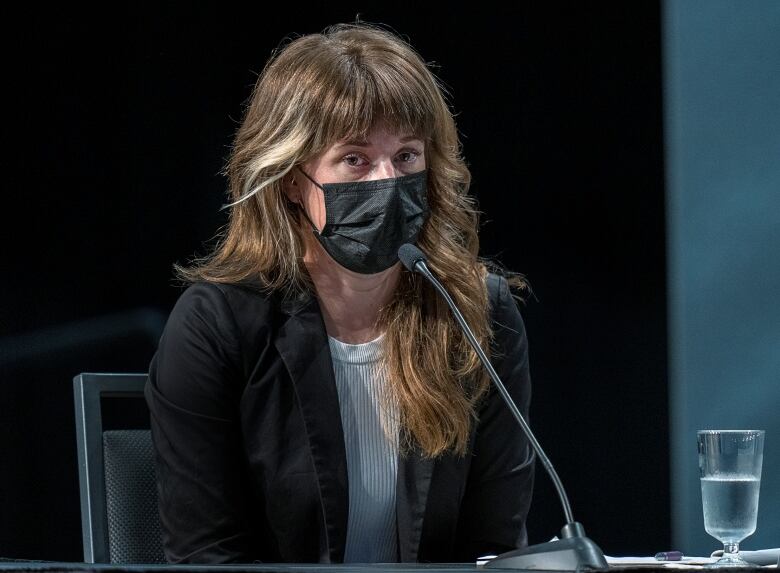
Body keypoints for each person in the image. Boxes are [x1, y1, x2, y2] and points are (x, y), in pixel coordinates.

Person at [144, 20, 535, 564]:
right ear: (288, 178)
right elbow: (207, 557)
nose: (385, 181)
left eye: (406, 157)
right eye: (354, 159)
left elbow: (492, 551)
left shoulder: (475, 314)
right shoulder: (219, 325)